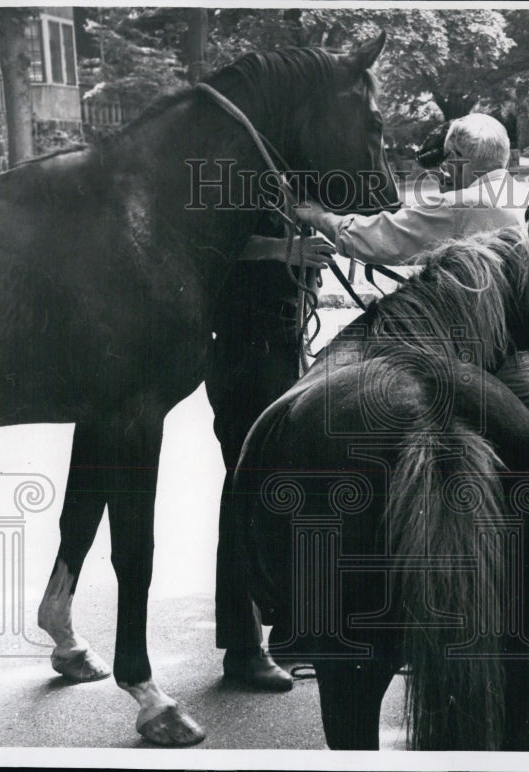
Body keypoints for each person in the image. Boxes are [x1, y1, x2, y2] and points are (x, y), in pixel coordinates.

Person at [296, 112, 529, 723]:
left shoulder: (463, 200)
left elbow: (377, 237)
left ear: (462, 159)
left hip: (491, 367)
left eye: (447, 157)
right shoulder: (526, 192)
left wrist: (315, 215)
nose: (444, 168)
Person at [211, 231, 334, 691]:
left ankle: (289, 629)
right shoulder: (238, 170)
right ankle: (243, 649)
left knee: (286, 485)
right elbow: (215, 240)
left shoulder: (280, 175)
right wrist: (287, 251)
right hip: (246, 349)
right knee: (246, 490)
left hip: (280, 345)